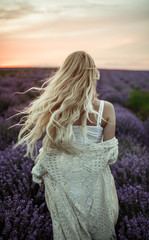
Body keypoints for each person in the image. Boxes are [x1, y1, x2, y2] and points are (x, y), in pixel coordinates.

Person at [13, 51, 119, 240]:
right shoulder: (106, 108)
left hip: (62, 182)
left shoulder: (56, 108)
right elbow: (109, 154)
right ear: (93, 74)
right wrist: (88, 158)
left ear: (66, 73)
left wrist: (41, 171)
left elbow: (51, 150)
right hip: (94, 182)